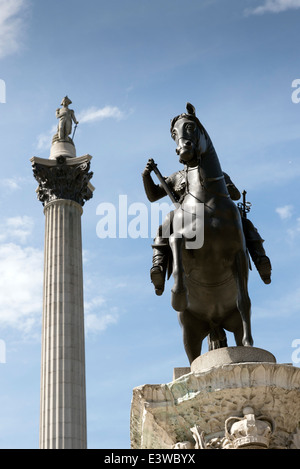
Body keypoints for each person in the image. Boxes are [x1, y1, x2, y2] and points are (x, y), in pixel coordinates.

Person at [142, 162, 271, 295]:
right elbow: (153, 195)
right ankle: (159, 267)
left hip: (217, 213)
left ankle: (260, 259)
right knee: (166, 223)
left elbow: (236, 195)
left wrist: (226, 187)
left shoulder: (217, 173)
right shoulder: (176, 177)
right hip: (186, 216)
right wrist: (146, 175)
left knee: (244, 222)